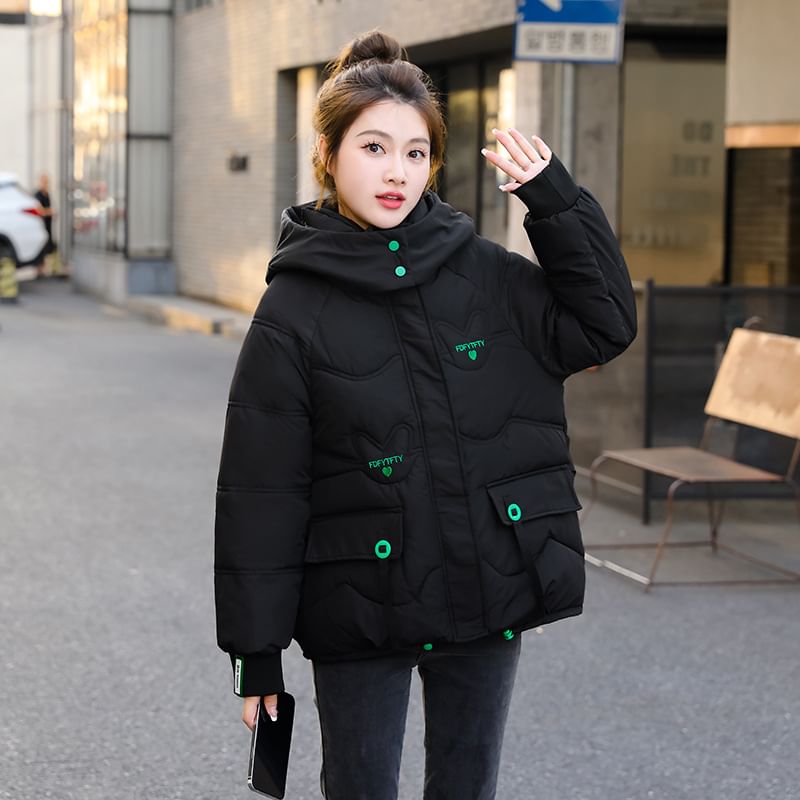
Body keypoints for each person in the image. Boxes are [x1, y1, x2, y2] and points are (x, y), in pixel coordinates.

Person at [214, 31, 636, 800]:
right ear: (328, 154)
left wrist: (556, 203)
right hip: (360, 607)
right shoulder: (293, 310)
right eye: (374, 147)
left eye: (415, 153)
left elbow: (604, 324)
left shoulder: (483, 274)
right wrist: (257, 653)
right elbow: (261, 491)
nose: (396, 172)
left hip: (487, 593)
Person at [33, 173, 57, 278]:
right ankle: (39, 270)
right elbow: (39, 211)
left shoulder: (48, 194)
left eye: (47, 182)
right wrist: (50, 211)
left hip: (48, 224)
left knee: (49, 246)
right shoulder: (38, 195)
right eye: (44, 181)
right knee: (41, 246)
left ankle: (44, 269)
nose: (45, 184)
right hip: (40, 225)